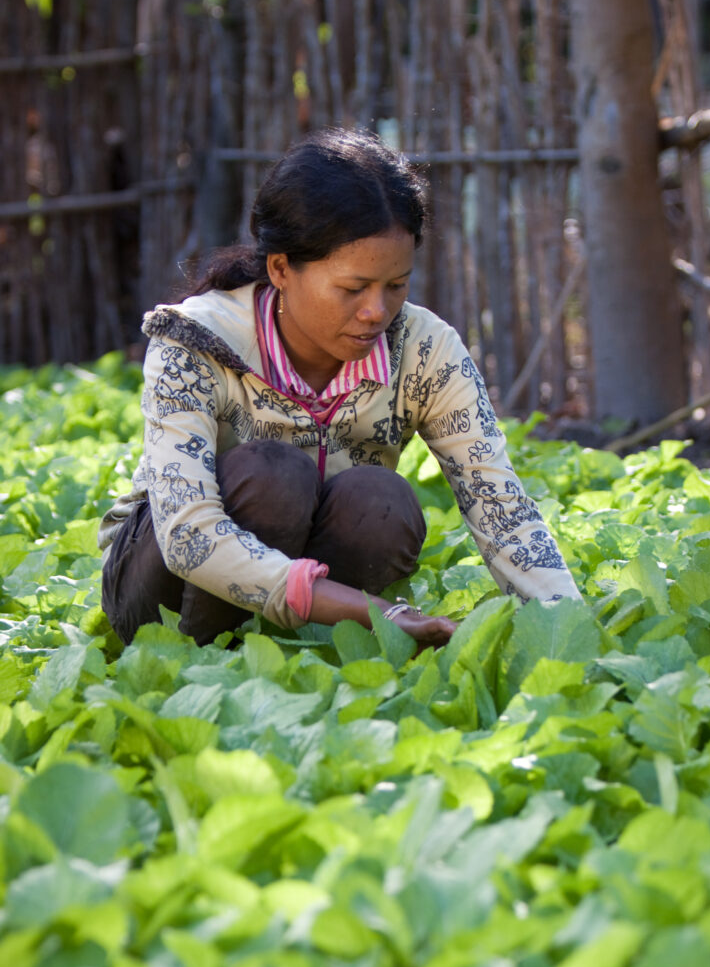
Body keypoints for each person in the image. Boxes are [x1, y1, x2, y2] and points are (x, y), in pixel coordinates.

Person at [99, 128, 580, 649]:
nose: (377, 312)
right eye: (353, 289)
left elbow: (499, 505)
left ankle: (304, 650)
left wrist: (567, 628)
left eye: (396, 285)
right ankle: (203, 657)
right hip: (157, 593)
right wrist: (378, 613)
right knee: (272, 476)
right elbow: (187, 537)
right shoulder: (196, 341)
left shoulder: (425, 350)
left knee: (381, 500)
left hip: (323, 595)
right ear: (281, 268)